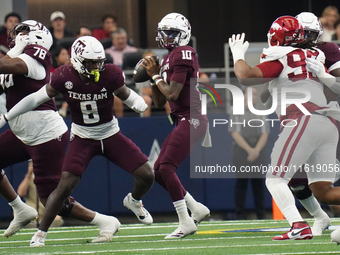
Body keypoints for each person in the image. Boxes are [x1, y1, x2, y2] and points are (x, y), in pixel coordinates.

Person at [0, 35, 155, 246]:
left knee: (147, 174)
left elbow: (125, 93)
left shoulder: (110, 74)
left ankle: (134, 201)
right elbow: (35, 98)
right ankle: (40, 233)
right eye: (91, 62)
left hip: (110, 134)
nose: (97, 67)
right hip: (83, 136)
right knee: (63, 187)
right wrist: (8, 116)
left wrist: (138, 102)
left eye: (99, 61)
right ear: (78, 61)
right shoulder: (64, 75)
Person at [229, 15, 340, 241]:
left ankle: (298, 225)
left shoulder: (282, 56)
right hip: (326, 123)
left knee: (275, 179)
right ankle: (317, 218)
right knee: (323, 190)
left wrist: (238, 55)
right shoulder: (315, 54)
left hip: (302, 119)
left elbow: (245, 76)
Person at [141, 13, 211, 239]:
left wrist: (155, 75)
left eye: (171, 33)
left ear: (183, 35)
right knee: (158, 172)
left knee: (167, 168)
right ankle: (196, 208)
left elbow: (172, 92)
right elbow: (161, 101)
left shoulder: (184, 52)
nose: (166, 37)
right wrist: (153, 78)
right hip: (182, 118)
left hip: (192, 118)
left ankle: (185, 221)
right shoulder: (169, 56)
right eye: (164, 32)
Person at [229, 86, 269, 220]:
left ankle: (261, 215)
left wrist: (256, 150)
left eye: (255, 94)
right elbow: (235, 132)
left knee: (258, 183)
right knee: (242, 182)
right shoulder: (236, 111)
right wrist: (249, 150)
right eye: (251, 94)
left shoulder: (261, 111)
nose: (254, 97)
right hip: (242, 149)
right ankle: (240, 215)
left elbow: (265, 132)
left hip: (258, 147)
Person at [17, 160, 64, 228]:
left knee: (58, 219)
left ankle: (42, 225)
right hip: (32, 210)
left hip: (46, 210)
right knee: (20, 216)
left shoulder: (48, 178)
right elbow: (20, 193)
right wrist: (28, 175)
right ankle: (40, 225)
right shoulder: (29, 179)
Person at [135, 50, 171, 117]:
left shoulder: (161, 70)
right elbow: (142, 90)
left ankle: (172, 119)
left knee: (169, 100)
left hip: (161, 93)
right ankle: (146, 121)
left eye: (152, 59)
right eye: (148, 60)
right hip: (145, 95)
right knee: (146, 99)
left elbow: (167, 86)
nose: (150, 62)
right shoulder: (140, 73)